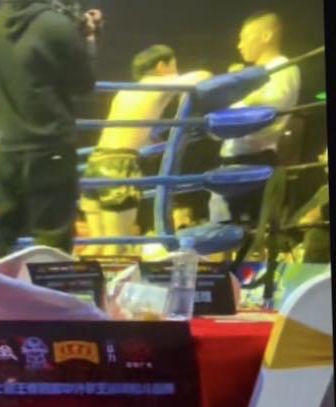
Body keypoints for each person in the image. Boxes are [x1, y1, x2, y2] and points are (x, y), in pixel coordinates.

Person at [0, 0, 103, 263]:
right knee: (53, 235)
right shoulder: (55, 25)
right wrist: (88, 39)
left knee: (1, 230)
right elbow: (84, 84)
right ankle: (46, 290)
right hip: (50, 144)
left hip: (8, 145)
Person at [81, 45, 211, 255]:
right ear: (161, 66)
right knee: (117, 246)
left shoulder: (125, 92)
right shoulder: (159, 84)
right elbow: (200, 76)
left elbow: (133, 129)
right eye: (174, 66)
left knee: (96, 244)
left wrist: (153, 136)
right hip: (120, 163)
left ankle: (80, 276)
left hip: (96, 161)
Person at [212, 11, 301, 227]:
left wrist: (234, 97)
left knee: (247, 234)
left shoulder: (281, 67)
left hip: (253, 160)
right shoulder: (255, 75)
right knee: (225, 231)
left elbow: (266, 114)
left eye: (244, 38)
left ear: (266, 36)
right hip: (237, 160)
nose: (239, 45)